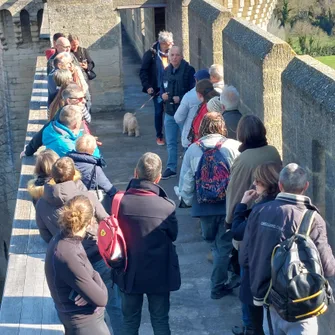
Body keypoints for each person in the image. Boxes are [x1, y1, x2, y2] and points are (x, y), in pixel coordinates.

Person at [241, 163, 335, 335]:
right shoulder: (314, 219)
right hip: (301, 304)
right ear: (306, 186)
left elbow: (244, 259)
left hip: (269, 301)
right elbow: (328, 268)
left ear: (280, 186)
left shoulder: (258, 211)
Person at [37, 157, 123, 335]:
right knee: (113, 305)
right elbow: (107, 222)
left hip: (71, 267)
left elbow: (45, 235)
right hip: (97, 259)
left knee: (88, 304)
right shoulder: (86, 197)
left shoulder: (41, 204)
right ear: (73, 173)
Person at [116, 152, 180, 334]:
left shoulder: (119, 202)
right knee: (160, 321)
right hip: (159, 272)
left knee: (129, 322)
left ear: (136, 173)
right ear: (158, 178)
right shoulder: (167, 206)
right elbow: (173, 235)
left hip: (128, 271)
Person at [178, 112, 240, 299]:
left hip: (203, 206)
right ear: (222, 126)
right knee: (222, 247)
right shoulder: (233, 147)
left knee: (213, 242)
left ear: (202, 126)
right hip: (227, 205)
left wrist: (188, 201)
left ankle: (219, 280)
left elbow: (187, 180)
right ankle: (220, 282)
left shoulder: (193, 150)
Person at [44, 195, 110, 335]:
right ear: (90, 221)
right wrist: (95, 277)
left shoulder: (63, 239)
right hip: (85, 324)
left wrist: (86, 290)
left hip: (77, 320)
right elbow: (102, 299)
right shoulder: (68, 253)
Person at [231, 162, 282, 335]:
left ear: (268, 184)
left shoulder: (260, 210)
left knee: (259, 323)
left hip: (258, 275)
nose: (254, 185)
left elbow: (237, 231)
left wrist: (243, 204)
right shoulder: (286, 207)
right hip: (281, 277)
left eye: (257, 182)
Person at [225, 115, 282, 230]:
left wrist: (229, 220)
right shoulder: (273, 151)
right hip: (274, 210)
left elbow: (236, 190)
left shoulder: (244, 159)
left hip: (250, 215)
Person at [21, 84, 93, 158]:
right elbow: (43, 131)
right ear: (69, 101)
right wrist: (29, 150)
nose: (84, 101)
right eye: (80, 99)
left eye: (84, 97)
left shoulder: (79, 109)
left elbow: (88, 119)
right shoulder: (64, 114)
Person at [160, 45, 195, 179]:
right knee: (171, 142)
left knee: (186, 142)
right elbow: (162, 87)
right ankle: (171, 167)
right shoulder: (167, 70)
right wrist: (162, 95)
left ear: (181, 56)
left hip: (184, 114)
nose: (174, 57)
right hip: (169, 112)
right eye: (172, 55)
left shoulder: (189, 70)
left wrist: (180, 98)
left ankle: (188, 169)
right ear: (169, 57)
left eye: (177, 55)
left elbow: (193, 92)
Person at [139, 31, 174, 146]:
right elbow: (143, 71)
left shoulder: (172, 53)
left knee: (172, 111)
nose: (171, 45)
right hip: (157, 88)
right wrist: (147, 86)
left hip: (171, 87)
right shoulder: (151, 54)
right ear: (162, 43)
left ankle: (172, 135)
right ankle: (159, 136)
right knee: (159, 112)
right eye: (169, 44)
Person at [67, 134, 117, 205]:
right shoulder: (94, 169)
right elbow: (110, 190)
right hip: (84, 205)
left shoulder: (66, 163)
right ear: (93, 150)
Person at [174, 69, 210, 150]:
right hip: (210, 139)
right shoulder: (217, 94)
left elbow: (178, 118)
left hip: (192, 138)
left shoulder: (189, 96)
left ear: (196, 80)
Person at [187, 79, 219, 144]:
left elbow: (198, 127)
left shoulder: (206, 108)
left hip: (203, 143)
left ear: (199, 94)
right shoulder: (217, 101)